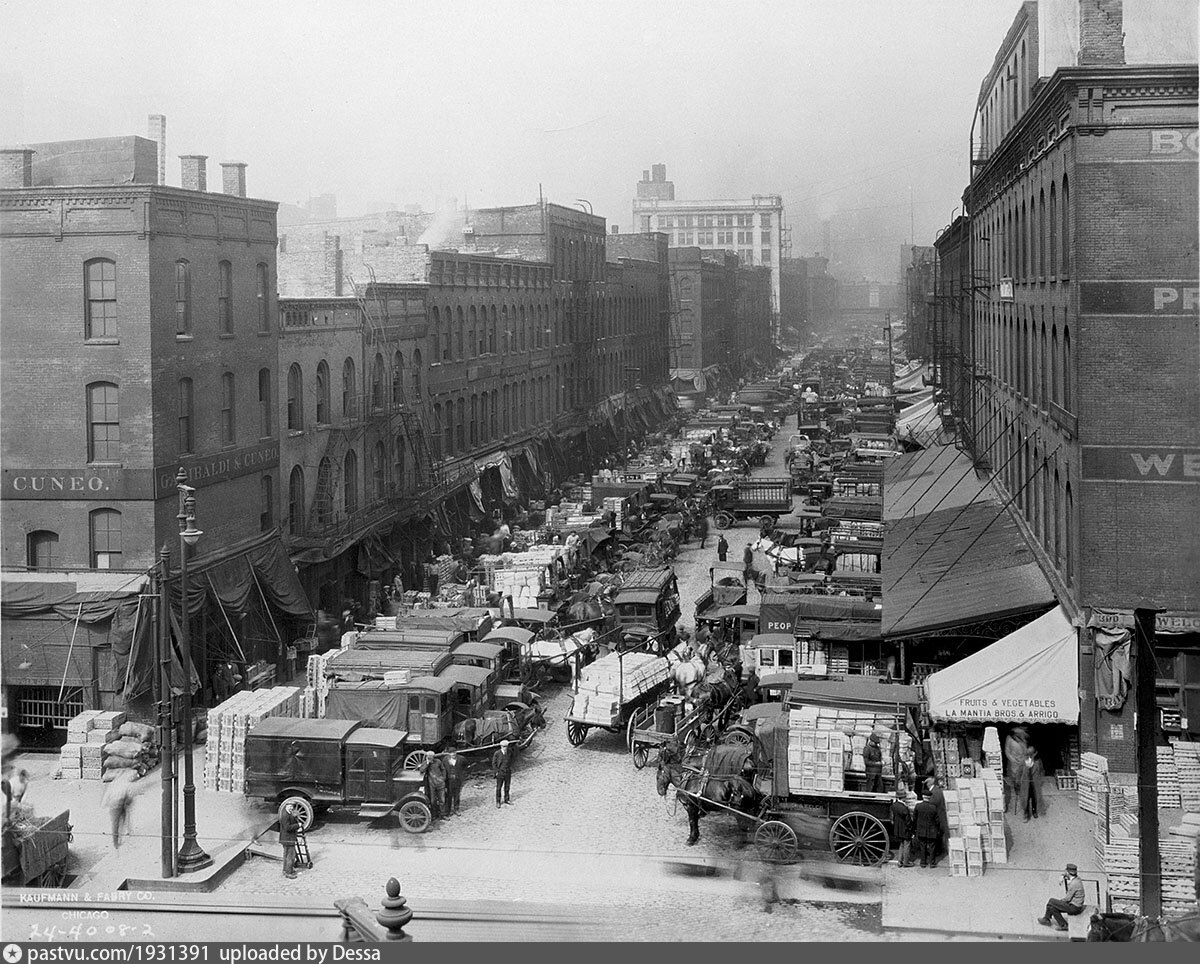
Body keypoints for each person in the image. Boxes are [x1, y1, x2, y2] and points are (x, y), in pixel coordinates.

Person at [1038, 864, 1086, 931]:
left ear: (1068, 872)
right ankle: (1063, 925)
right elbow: (1066, 874)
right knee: (1052, 907)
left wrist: (1059, 902)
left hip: (1074, 907)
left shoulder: (1074, 884)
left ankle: (1046, 919)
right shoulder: (1076, 878)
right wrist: (1062, 876)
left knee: (1051, 901)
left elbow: (1067, 899)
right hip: (1075, 904)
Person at [103, 772, 137, 849]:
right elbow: (129, 794)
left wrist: (105, 803)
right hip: (116, 805)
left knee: (119, 821)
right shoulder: (124, 784)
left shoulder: (113, 784)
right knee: (117, 823)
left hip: (117, 805)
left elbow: (107, 795)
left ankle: (120, 837)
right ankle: (116, 842)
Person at [1004, 726, 1028, 814]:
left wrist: (1023, 759)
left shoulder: (1023, 741)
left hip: (1021, 764)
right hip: (1013, 763)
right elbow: (1007, 751)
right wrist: (1013, 759)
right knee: (1014, 779)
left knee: (1021, 781)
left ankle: (1021, 798)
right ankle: (1016, 790)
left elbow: (1025, 751)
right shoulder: (1009, 739)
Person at [912, 794, 941, 868]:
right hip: (932, 830)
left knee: (922, 846)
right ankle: (932, 863)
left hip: (921, 829)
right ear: (930, 798)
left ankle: (923, 862)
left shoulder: (918, 806)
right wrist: (938, 829)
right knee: (932, 847)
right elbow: (937, 820)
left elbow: (914, 818)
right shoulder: (933, 807)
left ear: (923, 797)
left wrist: (914, 828)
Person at [889, 789, 914, 868]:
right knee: (907, 845)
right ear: (903, 798)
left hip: (898, 829)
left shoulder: (894, 805)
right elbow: (908, 821)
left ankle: (900, 861)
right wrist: (912, 830)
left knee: (902, 844)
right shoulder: (904, 808)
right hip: (905, 829)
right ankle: (906, 862)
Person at [1021, 746, 1045, 822]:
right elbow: (1019, 772)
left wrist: (1040, 780)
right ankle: (1026, 813)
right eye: (1028, 754)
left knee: (1034, 798)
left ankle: (1034, 811)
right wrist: (1018, 781)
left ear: (1034, 754)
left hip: (1035, 783)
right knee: (1026, 798)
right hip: (1026, 783)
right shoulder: (1023, 761)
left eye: (1031, 754)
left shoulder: (1038, 762)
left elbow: (1042, 771)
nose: (1029, 756)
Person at [278, 802, 300, 879]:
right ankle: (289, 872)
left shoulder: (287, 813)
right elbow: (287, 828)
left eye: (292, 807)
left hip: (286, 838)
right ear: (286, 806)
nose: (291, 808)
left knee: (286, 855)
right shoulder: (285, 815)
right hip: (288, 839)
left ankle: (285, 870)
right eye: (290, 806)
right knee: (291, 855)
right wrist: (298, 825)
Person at [442, 751, 464, 816]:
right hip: (449, 780)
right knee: (449, 795)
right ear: (449, 754)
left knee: (457, 795)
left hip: (457, 780)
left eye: (454, 753)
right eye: (451, 753)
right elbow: (443, 769)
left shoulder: (460, 759)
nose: (453, 755)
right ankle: (448, 811)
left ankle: (456, 809)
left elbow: (465, 766)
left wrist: (462, 775)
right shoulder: (445, 760)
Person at [492, 740, 513, 808]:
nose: (505, 748)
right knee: (499, 788)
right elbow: (494, 763)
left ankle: (506, 799)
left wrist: (510, 768)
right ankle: (498, 801)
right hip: (500, 772)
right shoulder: (497, 753)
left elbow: (511, 760)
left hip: (507, 772)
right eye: (504, 746)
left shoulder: (509, 752)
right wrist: (496, 772)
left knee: (507, 787)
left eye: (506, 746)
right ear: (501, 746)